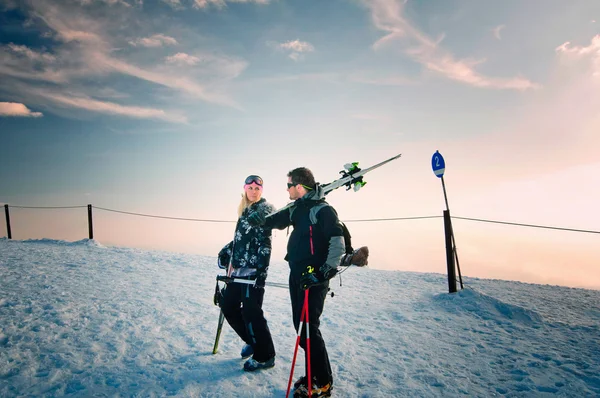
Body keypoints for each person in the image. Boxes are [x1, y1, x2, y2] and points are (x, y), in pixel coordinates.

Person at [248, 167, 348, 397]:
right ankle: (314, 373)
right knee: (301, 327)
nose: (287, 189)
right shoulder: (298, 209)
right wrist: (259, 221)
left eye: (289, 185)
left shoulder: (323, 210)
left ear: (300, 186)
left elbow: (337, 242)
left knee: (309, 328)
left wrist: (323, 273)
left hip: (314, 278)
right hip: (298, 275)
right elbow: (276, 220)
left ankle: (322, 382)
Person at [217, 174, 277, 372]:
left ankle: (266, 355)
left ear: (261, 191)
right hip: (238, 272)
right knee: (228, 305)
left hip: (252, 273)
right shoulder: (244, 211)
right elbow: (241, 240)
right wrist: (227, 251)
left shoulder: (262, 213)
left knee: (252, 313)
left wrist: (262, 272)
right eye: (250, 188)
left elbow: (265, 244)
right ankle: (253, 341)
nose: (253, 191)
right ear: (245, 189)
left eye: (257, 188)